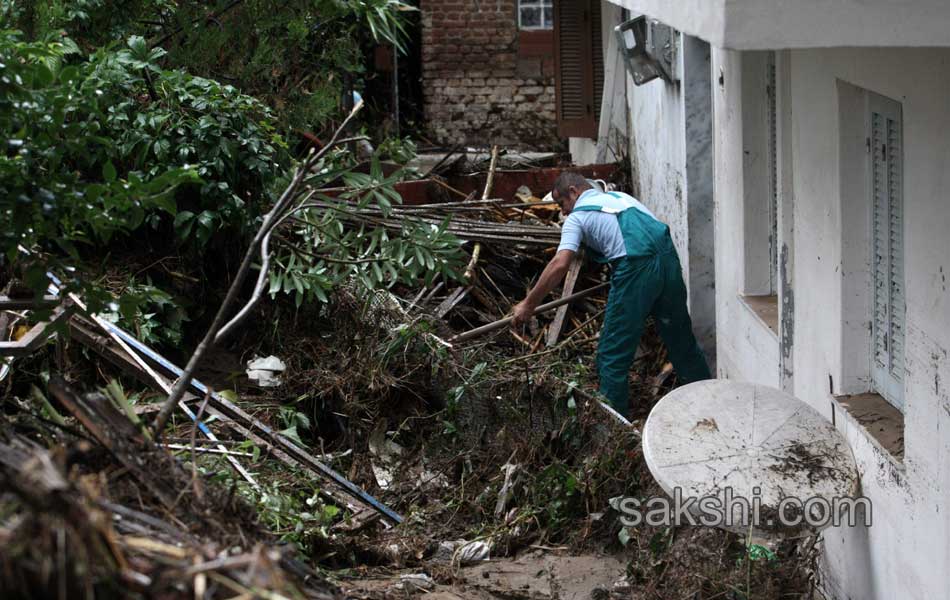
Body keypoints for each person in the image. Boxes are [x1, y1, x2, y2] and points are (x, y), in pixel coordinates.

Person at [512, 172, 711, 417]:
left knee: (611, 355)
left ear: (574, 192)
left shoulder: (578, 218)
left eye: (562, 204)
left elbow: (560, 264)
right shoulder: (622, 198)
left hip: (635, 270)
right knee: (681, 341)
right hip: (668, 260)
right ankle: (709, 405)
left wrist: (528, 304)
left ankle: (616, 433)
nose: (562, 212)